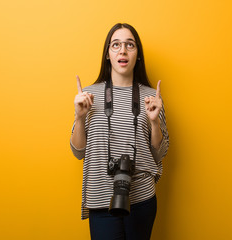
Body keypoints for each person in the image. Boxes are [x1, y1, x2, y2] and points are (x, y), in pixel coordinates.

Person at [70, 23, 169, 240]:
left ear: (138, 54)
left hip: (141, 196)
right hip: (101, 198)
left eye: (129, 45)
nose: (122, 50)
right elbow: (78, 152)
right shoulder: (89, 95)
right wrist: (80, 117)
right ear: (108, 54)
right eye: (116, 45)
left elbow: (159, 154)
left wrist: (154, 122)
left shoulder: (152, 97)